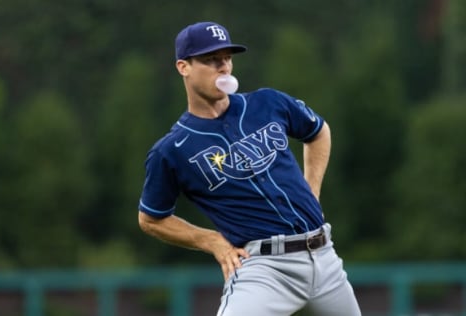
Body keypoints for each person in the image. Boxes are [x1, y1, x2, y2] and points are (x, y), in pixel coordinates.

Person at [138, 21, 361, 316]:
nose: (223, 67)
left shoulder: (267, 102)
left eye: (227, 58)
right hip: (265, 269)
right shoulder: (172, 150)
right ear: (184, 67)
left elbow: (318, 131)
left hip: (324, 256)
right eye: (210, 59)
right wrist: (213, 241)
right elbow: (151, 219)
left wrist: (312, 190)